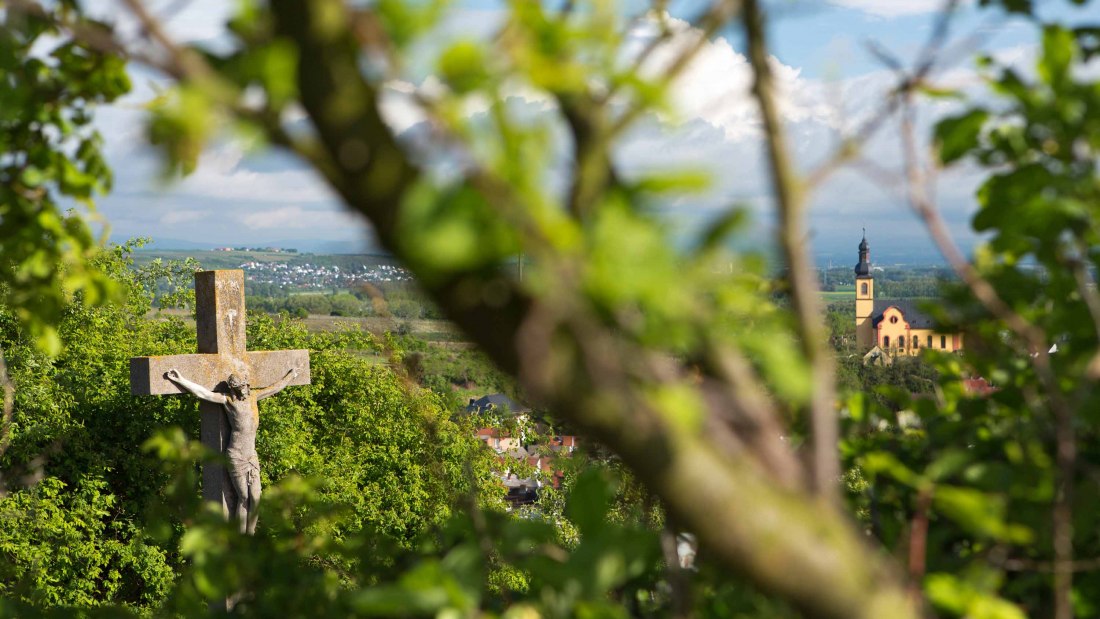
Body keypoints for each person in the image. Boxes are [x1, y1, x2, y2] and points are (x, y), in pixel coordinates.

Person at [165, 366, 299, 534]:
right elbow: (204, 393)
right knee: (244, 498)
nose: (242, 391)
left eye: (243, 387)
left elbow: (275, 387)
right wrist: (181, 380)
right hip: (236, 456)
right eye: (238, 389)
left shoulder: (254, 397)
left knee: (256, 498)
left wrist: (291, 375)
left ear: (247, 386)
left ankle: (250, 535)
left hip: (251, 455)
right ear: (233, 389)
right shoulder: (228, 400)